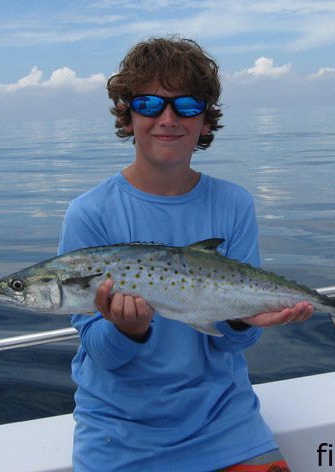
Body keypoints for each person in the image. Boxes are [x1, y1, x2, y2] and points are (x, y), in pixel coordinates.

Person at [58, 36, 312, 471]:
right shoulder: (90, 213)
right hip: (121, 439)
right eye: (149, 104)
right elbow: (101, 354)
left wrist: (241, 318)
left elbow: (240, 341)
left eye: (187, 106)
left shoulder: (233, 204)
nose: (168, 119)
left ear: (206, 122)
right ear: (127, 116)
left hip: (227, 427)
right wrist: (128, 331)